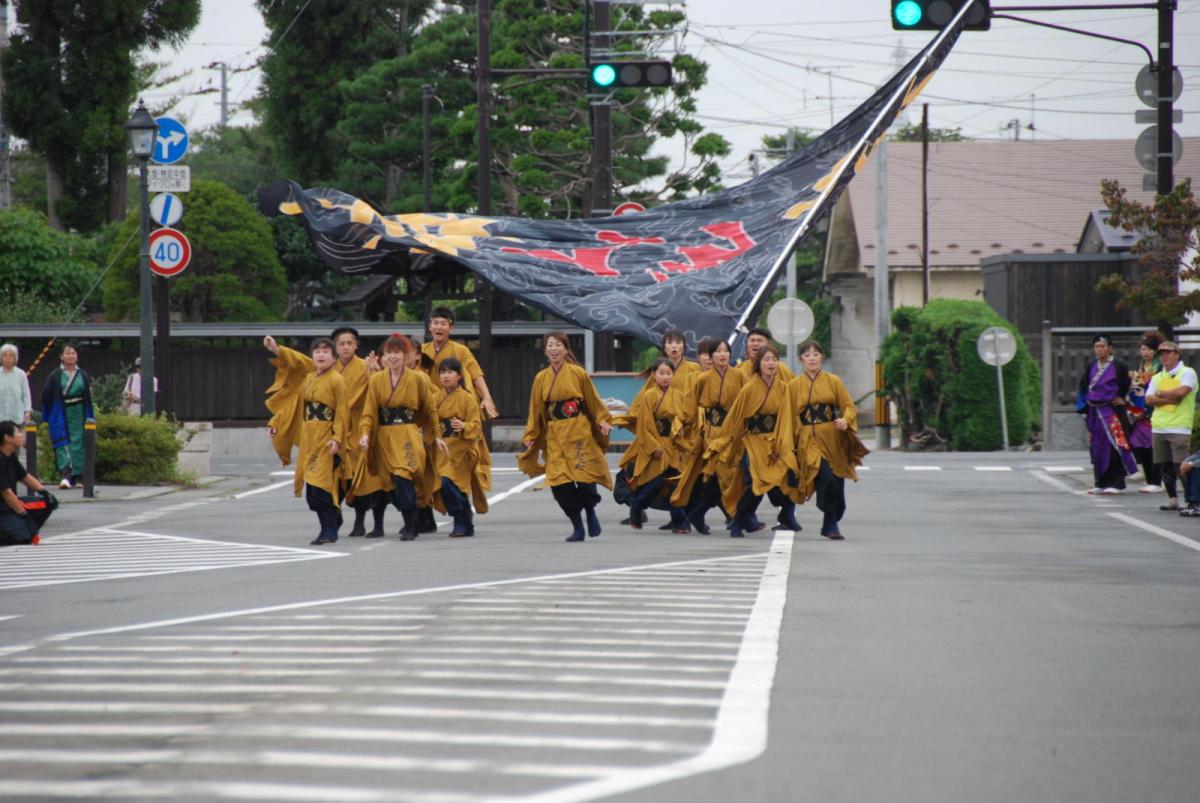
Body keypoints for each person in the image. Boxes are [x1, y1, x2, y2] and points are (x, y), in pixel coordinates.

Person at [519, 331, 613, 543]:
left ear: (566, 349)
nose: (554, 349)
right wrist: (531, 434)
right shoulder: (541, 378)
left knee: (586, 478)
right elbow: (535, 410)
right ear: (545, 350)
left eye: (558, 345)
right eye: (550, 345)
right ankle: (577, 525)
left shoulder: (578, 373)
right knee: (560, 484)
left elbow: (593, 401)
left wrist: (603, 420)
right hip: (555, 435)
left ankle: (590, 510)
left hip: (579, 432)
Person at [705, 345, 801, 538]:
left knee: (790, 476)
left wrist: (786, 442)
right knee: (753, 484)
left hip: (776, 441)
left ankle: (786, 515)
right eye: (766, 360)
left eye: (774, 359)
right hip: (753, 441)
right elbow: (735, 418)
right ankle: (737, 521)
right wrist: (722, 442)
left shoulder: (784, 389)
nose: (771, 363)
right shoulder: (749, 388)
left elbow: (789, 418)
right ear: (759, 364)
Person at [358, 334, 446, 540]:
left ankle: (409, 524)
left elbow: (430, 408)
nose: (393, 357)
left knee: (404, 475)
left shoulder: (418, 379)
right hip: (384, 436)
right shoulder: (377, 380)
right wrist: (364, 434)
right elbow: (369, 411)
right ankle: (412, 517)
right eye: (388, 353)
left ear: (405, 355)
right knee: (388, 481)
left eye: (397, 352)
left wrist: (437, 435)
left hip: (407, 433)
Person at [264, 336, 350, 545]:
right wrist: (278, 423)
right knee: (312, 492)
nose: (321, 355)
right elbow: (296, 406)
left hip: (326, 437)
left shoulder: (337, 380)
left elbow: (342, 412)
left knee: (322, 488)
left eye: (325, 351)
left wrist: (337, 439)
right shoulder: (310, 378)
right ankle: (326, 527)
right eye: (317, 351)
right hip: (309, 437)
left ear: (333, 357)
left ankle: (331, 530)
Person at [787, 340, 869, 540]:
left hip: (832, 437)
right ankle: (830, 521)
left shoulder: (833, 381)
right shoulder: (793, 386)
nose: (812, 358)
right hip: (808, 439)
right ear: (801, 359)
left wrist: (845, 420)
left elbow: (849, 406)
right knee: (826, 476)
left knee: (836, 481)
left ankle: (830, 519)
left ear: (821, 357)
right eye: (807, 354)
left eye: (816, 354)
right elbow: (788, 416)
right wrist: (790, 443)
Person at [614, 358, 698, 533]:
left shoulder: (678, 395)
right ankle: (637, 506)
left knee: (677, 483)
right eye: (661, 373)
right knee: (655, 483)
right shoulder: (649, 395)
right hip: (656, 443)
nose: (665, 377)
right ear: (654, 375)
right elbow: (645, 424)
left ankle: (679, 522)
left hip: (674, 444)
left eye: (669, 373)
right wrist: (654, 446)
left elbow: (685, 419)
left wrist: (685, 440)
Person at [673, 338, 746, 534]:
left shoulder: (739, 376)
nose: (722, 354)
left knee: (730, 474)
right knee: (722, 472)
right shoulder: (702, 380)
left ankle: (701, 512)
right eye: (718, 351)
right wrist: (680, 424)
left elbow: (749, 400)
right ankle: (735, 517)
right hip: (712, 433)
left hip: (732, 432)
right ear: (711, 356)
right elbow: (689, 405)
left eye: (725, 351)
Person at [331, 327, 388, 539]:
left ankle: (365, 521)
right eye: (341, 343)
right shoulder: (329, 368)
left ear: (357, 345)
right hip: (337, 429)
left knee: (366, 477)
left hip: (360, 427)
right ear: (335, 348)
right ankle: (335, 516)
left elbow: (380, 387)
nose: (346, 347)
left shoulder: (365, 366)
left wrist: (374, 370)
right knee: (335, 476)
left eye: (349, 343)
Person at [433, 357, 491, 537]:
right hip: (443, 449)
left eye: (450, 372)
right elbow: (430, 422)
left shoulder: (467, 398)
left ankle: (459, 519)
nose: (446, 376)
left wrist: (464, 426)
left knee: (448, 482)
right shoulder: (435, 398)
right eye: (442, 372)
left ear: (459, 376)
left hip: (463, 449)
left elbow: (476, 424)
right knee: (447, 484)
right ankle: (465, 517)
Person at [1077, 334, 1137, 495]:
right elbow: (1083, 388)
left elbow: (1130, 386)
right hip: (1095, 412)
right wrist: (1084, 408)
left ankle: (1117, 483)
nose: (1099, 349)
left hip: (1112, 412)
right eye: (1097, 346)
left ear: (1109, 348)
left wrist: (1124, 401)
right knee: (1097, 447)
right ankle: (1100, 482)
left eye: (1103, 346)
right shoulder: (1091, 367)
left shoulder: (1120, 366)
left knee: (1115, 446)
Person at [1145, 341, 1198, 512]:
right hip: (1159, 425)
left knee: (1181, 465)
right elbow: (1149, 399)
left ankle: (1192, 499)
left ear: (1177, 354)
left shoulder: (1187, 372)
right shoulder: (1157, 377)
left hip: (1179, 426)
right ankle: (1173, 499)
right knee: (1164, 464)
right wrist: (1170, 397)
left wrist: (1160, 393)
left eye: (1168, 352)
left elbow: (1182, 393)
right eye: (1161, 354)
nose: (1164, 356)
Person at [422, 306, 501, 419]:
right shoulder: (421, 351)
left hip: (455, 406)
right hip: (430, 405)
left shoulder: (461, 350)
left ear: (451, 328)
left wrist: (487, 397)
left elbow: (476, 374)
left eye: (444, 324)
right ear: (430, 327)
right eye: (435, 323)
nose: (439, 327)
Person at [40, 344, 93, 490]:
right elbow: (46, 395)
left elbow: (88, 397)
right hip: (61, 413)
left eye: (73, 353)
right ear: (62, 357)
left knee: (79, 443)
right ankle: (65, 476)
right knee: (62, 443)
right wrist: (50, 414)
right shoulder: (55, 376)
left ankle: (79, 477)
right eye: (68, 353)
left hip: (79, 413)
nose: (71, 356)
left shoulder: (83, 375)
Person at [0, 420, 53, 547]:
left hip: (9, 506)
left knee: (48, 502)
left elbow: (25, 477)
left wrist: (44, 492)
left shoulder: (10, 456)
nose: (22, 435)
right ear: (7, 438)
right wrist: (23, 514)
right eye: (18, 432)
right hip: (2, 509)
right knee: (23, 538)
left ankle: (24, 528)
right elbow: (6, 493)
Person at [1127, 331, 1164, 493]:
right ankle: (1150, 479)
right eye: (1143, 349)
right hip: (1138, 412)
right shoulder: (1140, 367)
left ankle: (1157, 481)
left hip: (1154, 411)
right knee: (1139, 445)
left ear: (1155, 350)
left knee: (1152, 447)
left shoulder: (1160, 368)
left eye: (1149, 349)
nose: (1146, 352)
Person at [0, 344, 33, 427]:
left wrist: (27, 411)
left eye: (11, 356)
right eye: (5, 356)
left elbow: (26, 394)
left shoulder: (21, 374)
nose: (7, 358)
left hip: (17, 417)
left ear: (15, 358)